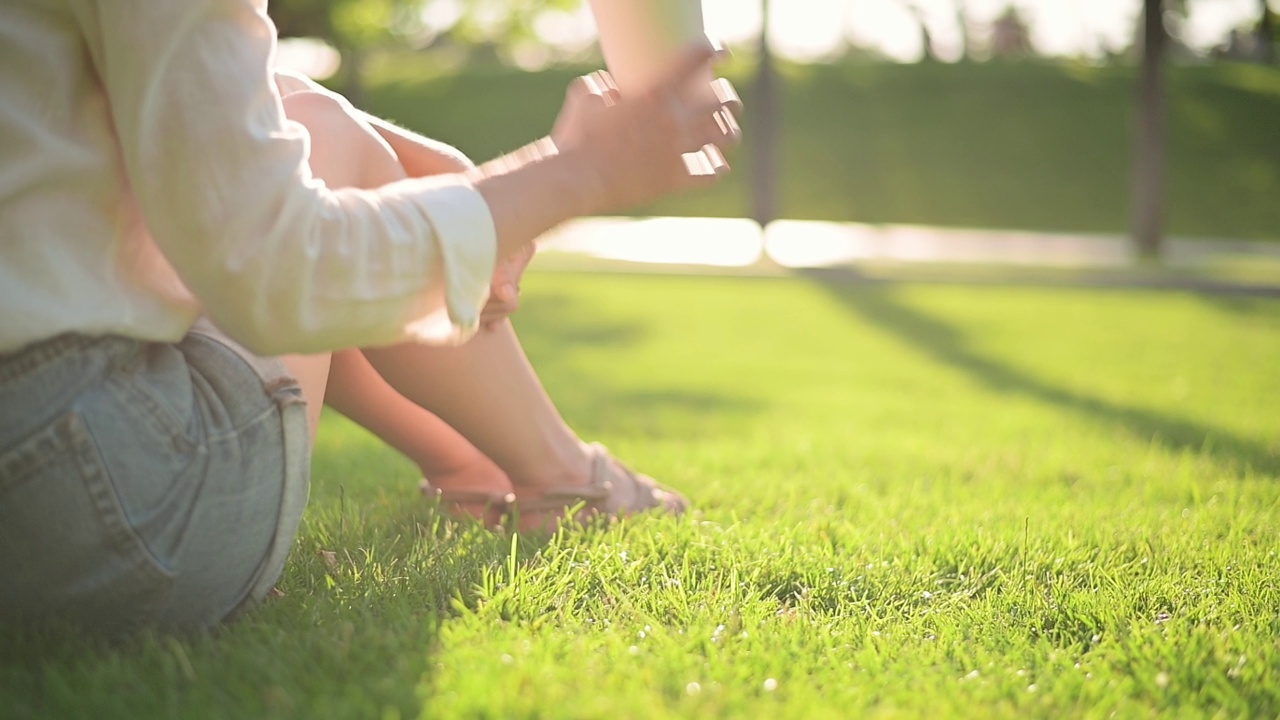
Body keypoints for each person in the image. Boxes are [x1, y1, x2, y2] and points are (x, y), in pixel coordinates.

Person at [0, 0, 741, 635]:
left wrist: (408, 157)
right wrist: (578, 169)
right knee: (328, 152)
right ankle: (566, 479)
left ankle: (477, 467)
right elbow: (277, 272)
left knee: (320, 124)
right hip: (92, 510)